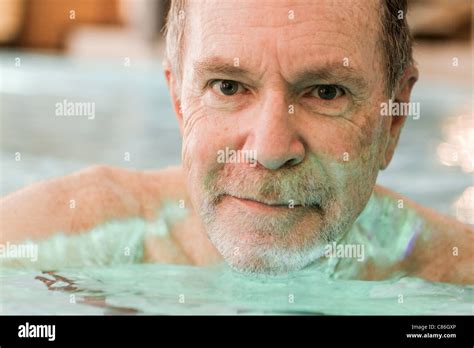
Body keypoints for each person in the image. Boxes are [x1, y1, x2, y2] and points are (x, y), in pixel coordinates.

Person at [1, 0, 472, 284]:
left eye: (326, 92)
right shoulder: (47, 240)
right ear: (179, 101)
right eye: (228, 86)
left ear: (394, 118)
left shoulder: (455, 278)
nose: (269, 149)